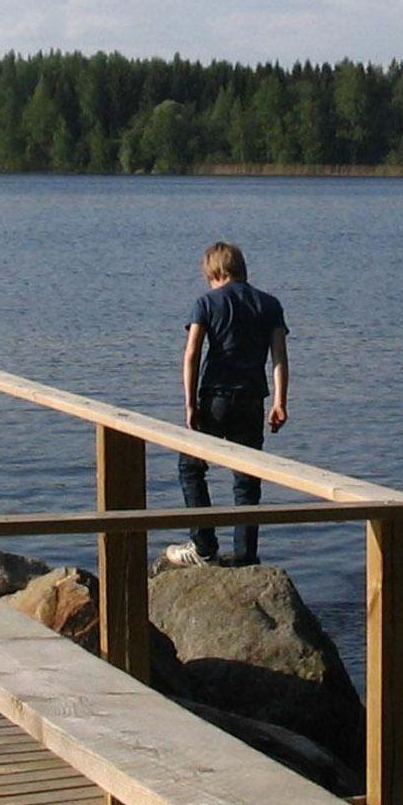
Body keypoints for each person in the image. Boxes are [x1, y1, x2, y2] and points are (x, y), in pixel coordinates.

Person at [167, 241, 288, 567]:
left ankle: (204, 546)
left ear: (215, 273)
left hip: (215, 398)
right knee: (247, 479)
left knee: (191, 468)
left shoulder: (206, 303)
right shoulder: (269, 304)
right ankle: (246, 555)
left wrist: (190, 402)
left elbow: (192, 353)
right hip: (252, 400)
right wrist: (280, 401)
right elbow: (279, 355)